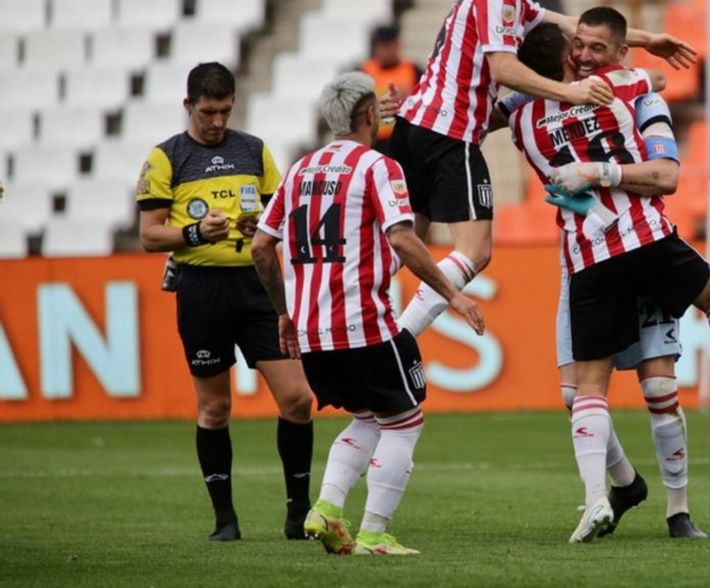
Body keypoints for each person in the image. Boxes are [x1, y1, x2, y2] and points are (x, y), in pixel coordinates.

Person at [505, 9, 710, 543]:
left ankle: (642, 506)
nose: (585, 54)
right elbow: (651, 88)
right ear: (569, 51)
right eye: (578, 46)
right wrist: (646, 46)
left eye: (594, 47)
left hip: (588, 255)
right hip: (643, 239)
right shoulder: (626, 83)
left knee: (614, 388)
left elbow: (498, 91)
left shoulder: (520, 119)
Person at [251, 72, 485, 556]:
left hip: (313, 332)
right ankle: (376, 533)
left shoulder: (297, 170)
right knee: (404, 421)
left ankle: (327, 510)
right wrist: (453, 294)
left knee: (366, 418)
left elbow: (259, 247)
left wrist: (284, 313)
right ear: (366, 116)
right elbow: (402, 238)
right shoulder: (379, 167)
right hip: (365, 324)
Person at [386, 0, 698, 345]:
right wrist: (570, 91)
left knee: (400, 245)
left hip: (413, 123)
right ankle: (396, 342)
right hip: (449, 132)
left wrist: (648, 39)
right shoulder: (498, 3)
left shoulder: (513, 7)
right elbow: (503, 69)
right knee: (474, 250)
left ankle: (347, 317)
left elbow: (573, 24)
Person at [136, 62, 315, 542]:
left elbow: (281, 216)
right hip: (202, 291)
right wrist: (195, 231)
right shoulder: (165, 157)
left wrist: (265, 228)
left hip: (257, 288)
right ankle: (225, 521)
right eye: (207, 112)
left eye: (224, 111)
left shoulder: (254, 150)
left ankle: (299, 514)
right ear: (188, 106)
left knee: (298, 399)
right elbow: (150, 236)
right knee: (215, 409)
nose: (217, 122)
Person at [358, 26, 423, 155]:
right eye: (384, 47)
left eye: (392, 46)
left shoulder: (413, 70)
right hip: (376, 141)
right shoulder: (365, 71)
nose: (389, 51)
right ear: (375, 48)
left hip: (405, 139)